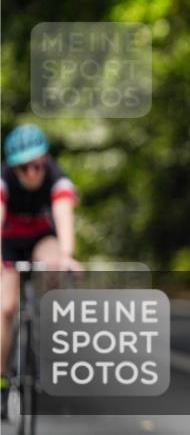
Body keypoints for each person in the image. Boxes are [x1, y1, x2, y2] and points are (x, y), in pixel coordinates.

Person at [1, 124, 82, 421]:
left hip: (41, 240)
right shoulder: (3, 180)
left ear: (45, 159)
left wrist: (67, 256)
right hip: (8, 243)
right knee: (5, 308)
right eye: (24, 166)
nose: (32, 172)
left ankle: (48, 329)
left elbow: (63, 217)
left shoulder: (58, 180)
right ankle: (0, 378)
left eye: (37, 164)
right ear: (14, 166)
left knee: (54, 264)